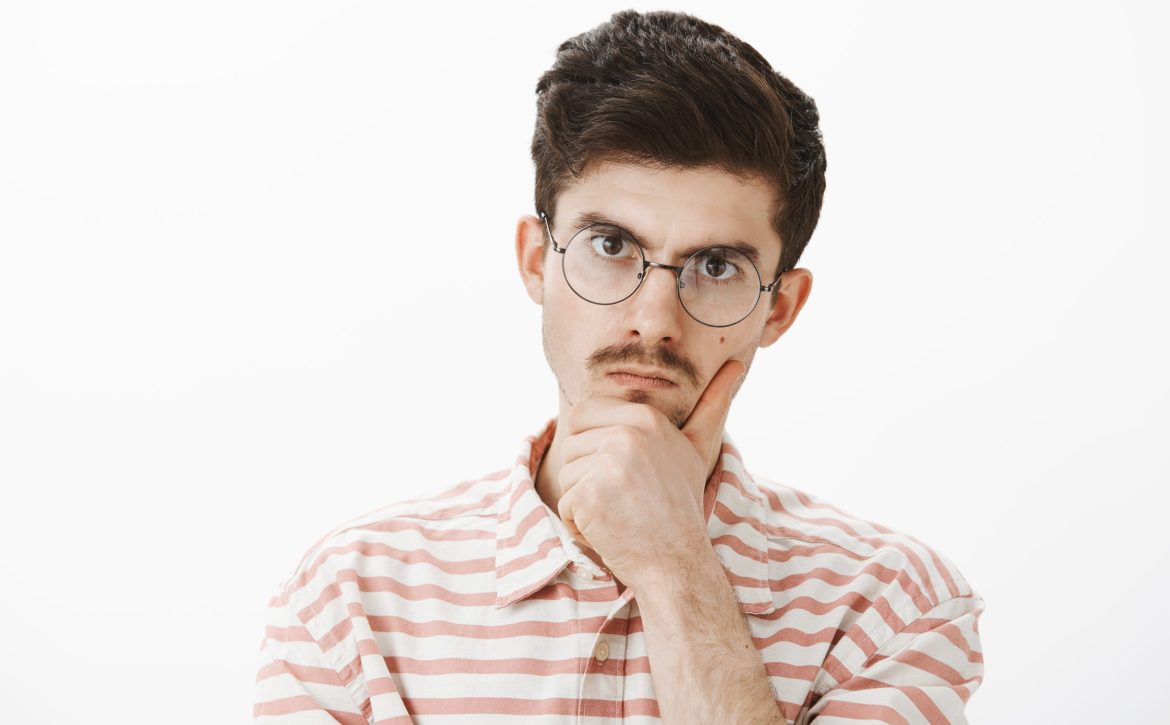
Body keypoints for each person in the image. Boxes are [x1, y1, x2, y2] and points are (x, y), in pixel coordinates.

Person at [254, 10, 984, 724]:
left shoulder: (894, 607)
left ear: (779, 308)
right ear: (537, 261)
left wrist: (675, 566)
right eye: (610, 247)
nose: (655, 320)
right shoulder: (349, 605)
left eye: (716, 265)